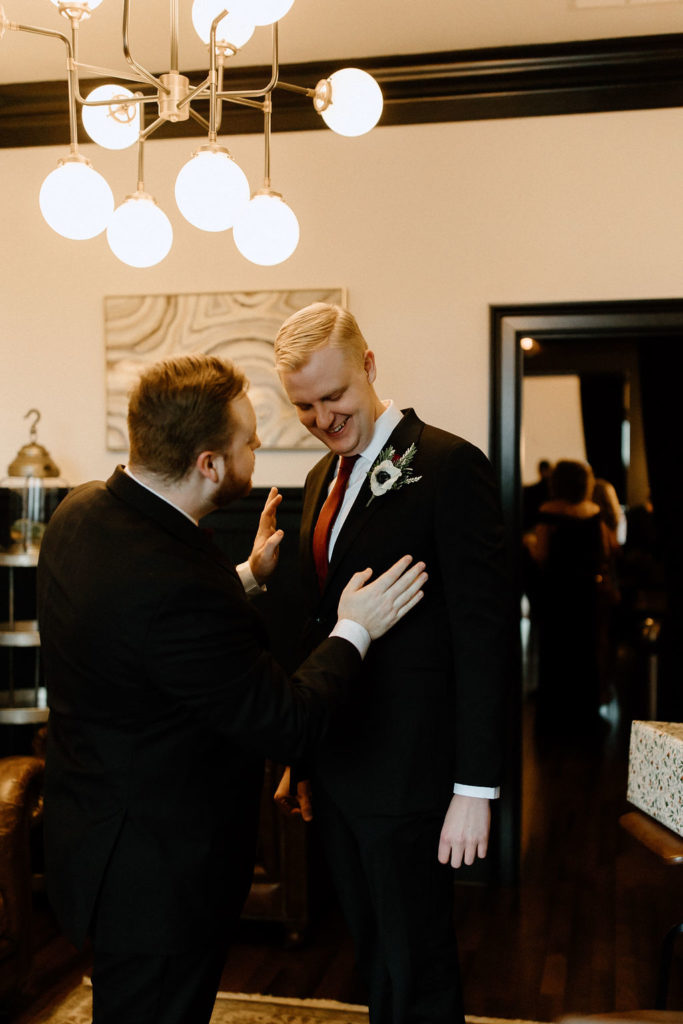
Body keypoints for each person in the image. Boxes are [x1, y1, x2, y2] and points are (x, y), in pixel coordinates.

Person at [36, 353, 427, 1024]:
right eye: (250, 440)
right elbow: (287, 721)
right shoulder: (171, 583)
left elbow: (138, 633)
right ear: (209, 465)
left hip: (91, 832)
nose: (262, 448)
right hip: (156, 871)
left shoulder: (83, 511)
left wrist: (245, 573)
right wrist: (353, 629)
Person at [272, 303, 510, 1024]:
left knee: (420, 965)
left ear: (369, 366)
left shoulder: (446, 464)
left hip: (412, 773)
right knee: (372, 951)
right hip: (342, 766)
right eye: (303, 406)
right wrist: (304, 758)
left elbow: (483, 635)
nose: (321, 418)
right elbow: (326, 627)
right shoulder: (320, 480)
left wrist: (475, 787)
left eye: (334, 396)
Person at [524, 458, 608, 729]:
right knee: (585, 651)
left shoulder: (549, 512)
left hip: (557, 593)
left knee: (557, 651)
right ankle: (586, 714)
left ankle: (555, 715)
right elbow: (605, 553)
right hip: (586, 593)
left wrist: (529, 544)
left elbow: (543, 554)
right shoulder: (594, 512)